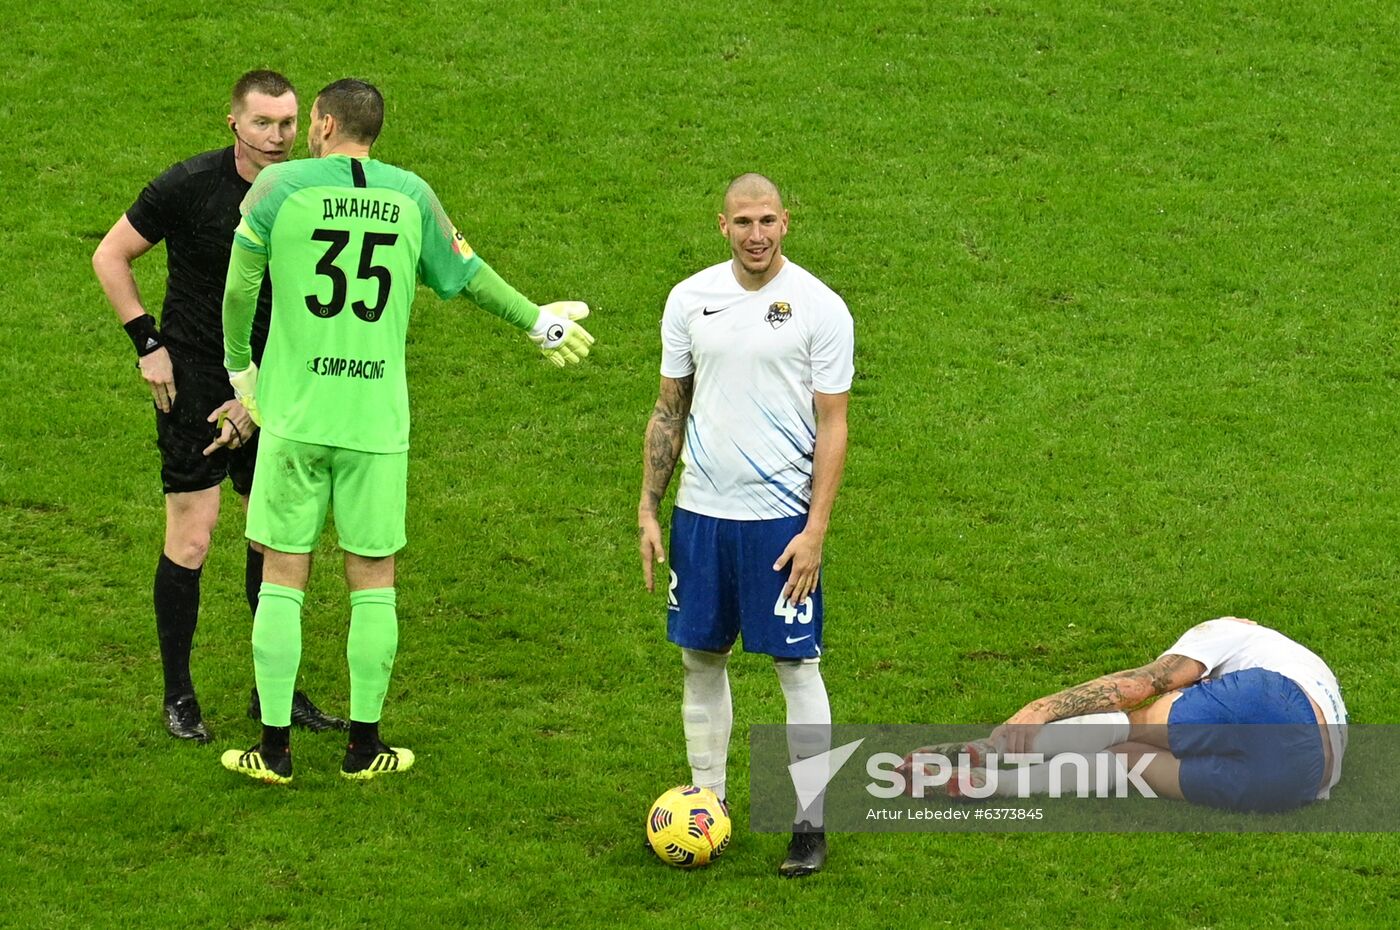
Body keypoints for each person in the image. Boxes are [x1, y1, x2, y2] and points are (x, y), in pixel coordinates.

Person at [216, 78, 594, 785]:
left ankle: (273, 750)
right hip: (375, 424)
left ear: (323, 123)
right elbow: (467, 274)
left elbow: (239, 289)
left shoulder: (278, 189)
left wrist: (241, 372)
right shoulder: (412, 196)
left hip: (295, 420)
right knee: (373, 581)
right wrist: (534, 320)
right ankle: (364, 749)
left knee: (282, 576)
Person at [92, 69, 344, 743]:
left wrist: (262, 396)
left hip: (279, 384)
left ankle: (277, 693)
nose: (277, 136)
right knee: (194, 537)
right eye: (263, 123)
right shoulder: (189, 185)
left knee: (275, 540)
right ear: (233, 123)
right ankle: (179, 696)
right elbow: (112, 255)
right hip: (197, 381)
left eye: (288, 123)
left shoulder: (311, 194)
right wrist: (148, 343)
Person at [638, 173, 853, 877]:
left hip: (778, 524)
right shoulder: (689, 299)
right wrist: (648, 505)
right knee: (700, 658)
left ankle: (810, 822)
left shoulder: (820, 308)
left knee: (796, 663)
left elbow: (834, 424)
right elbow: (670, 408)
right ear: (721, 226)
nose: (755, 234)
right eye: (743, 222)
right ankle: (711, 802)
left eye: (767, 220)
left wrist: (815, 529)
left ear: (787, 222)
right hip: (701, 515)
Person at [904, 617, 1347, 812]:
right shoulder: (1296, 657)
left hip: (1274, 702)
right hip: (1302, 782)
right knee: (1128, 762)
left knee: (1132, 724)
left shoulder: (1227, 633)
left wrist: (1039, 708)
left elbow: (1139, 685)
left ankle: (989, 749)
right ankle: (995, 786)